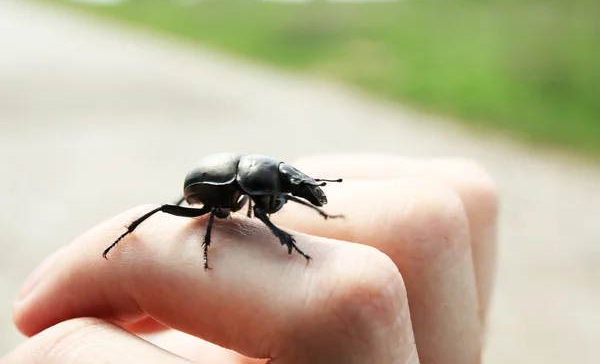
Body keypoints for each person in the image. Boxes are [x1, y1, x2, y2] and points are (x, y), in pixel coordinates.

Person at [3, 154, 498, 364]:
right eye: (279, 185)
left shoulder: (261, 184)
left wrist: (312, 198)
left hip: (233, 184)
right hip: (205, 192)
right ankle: (127, 235)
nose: (285, 191)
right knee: (166, 214)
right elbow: (221, 213)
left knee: (268, 215)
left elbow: (272, 202)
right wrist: (206, 242)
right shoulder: (228, 190)